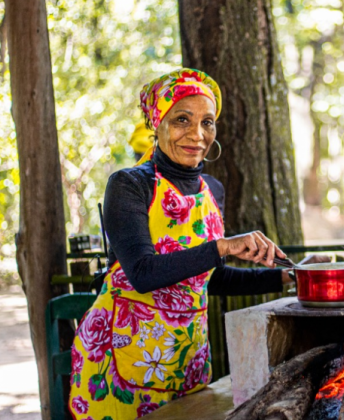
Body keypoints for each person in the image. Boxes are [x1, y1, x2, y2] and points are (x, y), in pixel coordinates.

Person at [69, 68, 323, 419]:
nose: (197, 134)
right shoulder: (129, 185)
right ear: (157, 123)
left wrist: (288, 276)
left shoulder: (211, 190)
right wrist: (222, 246)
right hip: (121, 363)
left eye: (207, 122)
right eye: (182, 120)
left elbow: (209, 278)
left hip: (184, 360)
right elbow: (142, 273)